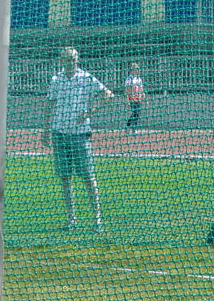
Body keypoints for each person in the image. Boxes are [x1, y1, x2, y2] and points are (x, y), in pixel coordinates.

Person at [43, 47, 114, 232]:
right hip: (59, 133)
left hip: (80, 134)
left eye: (73, 60)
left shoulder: (86, 78)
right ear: (61, 61)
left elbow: (108, 95)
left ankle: (97, 219)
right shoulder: (56, 80)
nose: (71, 63)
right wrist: (45, 130)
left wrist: (90, 111)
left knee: (88, 177)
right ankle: (71, 219)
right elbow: (49, 105)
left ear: (77, 60)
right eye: (67, 60)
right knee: (65, 178)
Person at [124, 62, 146, 131]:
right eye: (135, 69)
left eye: (137, 69)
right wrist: (127, 100)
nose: (136, 71)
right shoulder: (129, 79)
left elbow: (141, 88)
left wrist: (143, 94)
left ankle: (133, 127)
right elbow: (127, 90)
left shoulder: (139, 79)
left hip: (138, 98)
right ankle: (129, 126)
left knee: (137, 113)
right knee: (135, 112)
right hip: (132, 98)